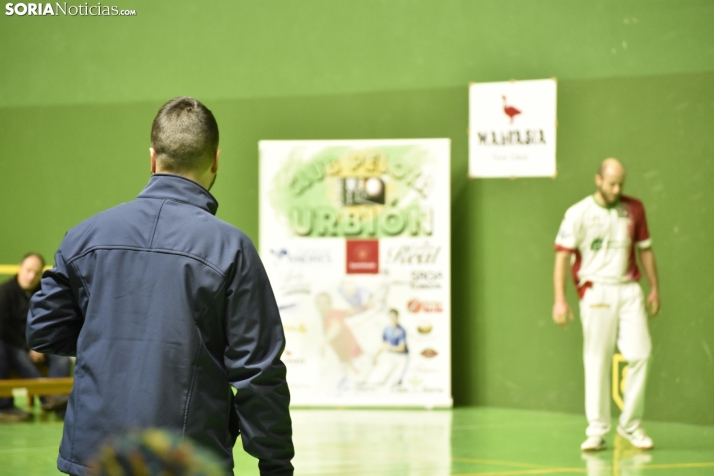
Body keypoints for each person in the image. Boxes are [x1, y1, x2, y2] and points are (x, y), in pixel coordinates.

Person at [27, 97, 294, 475]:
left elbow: (42, 330)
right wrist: (276, 463)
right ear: (216, 160)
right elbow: (259, 374)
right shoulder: (232, 250)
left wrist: (113, 339)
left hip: (92, 459)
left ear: (152, 159)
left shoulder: (83, 237)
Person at [552, 158, 660, 452]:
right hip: (596, 291)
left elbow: (645, 250)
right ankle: (597, 430)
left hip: (629, 291)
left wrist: (654, 290)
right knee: (597, 359)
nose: (617, 189)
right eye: (611, 183)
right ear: (598, 180)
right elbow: (562, 257)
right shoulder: (578, 213)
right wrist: (560, 300)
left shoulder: (634, 209)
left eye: (620, 184)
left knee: (641, 354)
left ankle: (630, 425)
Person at [0, 253, 71, 421]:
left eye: (36, 272)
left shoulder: (44, 292)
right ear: (20, 268)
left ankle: (58, 401)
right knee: (21, 358)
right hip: (15, 345)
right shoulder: (4, 293)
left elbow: (52, 320)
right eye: (28, 270)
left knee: (62, 358)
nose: (31, 276)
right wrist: (28, 346)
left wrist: (39, 344)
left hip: (40, 343)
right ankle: (49, 398)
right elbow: (3, 329)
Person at [372, 308, 409, 387]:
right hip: (392, 356)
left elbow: (401, 348)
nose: (392, 318)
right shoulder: (386, 329)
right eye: (390, 316)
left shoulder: (401, 330)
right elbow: (383, 345)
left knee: (396, 381)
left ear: (397, 317)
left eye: (393, 316)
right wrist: (376, 356)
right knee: (381, 377)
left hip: (402, 357)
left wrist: (388, 348)